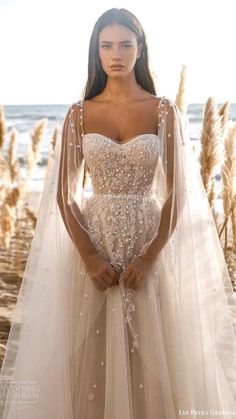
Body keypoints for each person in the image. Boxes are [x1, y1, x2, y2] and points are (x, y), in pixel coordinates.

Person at [1, 7, 236, 419]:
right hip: (92, 242)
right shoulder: (79, 112)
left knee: (151, 350)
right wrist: (89, 256)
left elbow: (175, 194)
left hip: (147, 241)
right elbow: (64, 195)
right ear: (96, 51)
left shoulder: (164, 111)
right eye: (106, 45)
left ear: (140, 50)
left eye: (125, 45)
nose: (116, 54)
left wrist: (150, 255)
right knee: (88, 346)